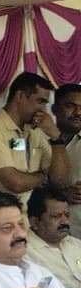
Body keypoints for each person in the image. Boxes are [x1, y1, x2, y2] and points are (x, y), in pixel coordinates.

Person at [0, 71, 70, 202]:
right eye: (40, 101)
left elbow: (60, 181)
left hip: (28, 212)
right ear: (20, 96)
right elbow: (16, 183)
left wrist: (56, 137)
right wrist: (45, 177)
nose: (44, 110)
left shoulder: (34, 131)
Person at [27, 184, 81, 288]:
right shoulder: (26, 254)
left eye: (67, 215)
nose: (65, 221)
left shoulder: (76, 245)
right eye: (56, 216)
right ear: (35, 221)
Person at [48, 83, 81, 237]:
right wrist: (61, 193)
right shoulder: (39, 138)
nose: (78, 112)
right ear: (54, 109)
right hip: (48, 229)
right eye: (70, 106)